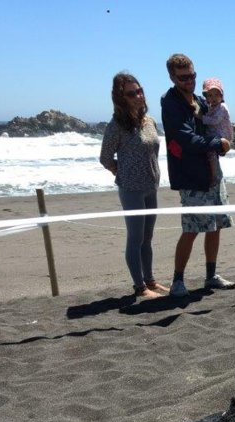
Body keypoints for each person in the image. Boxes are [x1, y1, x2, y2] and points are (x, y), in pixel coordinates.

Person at [160, 53, 235, 297]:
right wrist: (217, 143)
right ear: (172, 77)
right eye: (183, 78)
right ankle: (178, 281)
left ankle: (211, 275)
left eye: (192, 76)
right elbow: (186, 138)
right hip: (191, 175)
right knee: (191, 228)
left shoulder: (200, 100)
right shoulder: (171, 103)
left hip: (212, 171)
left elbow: (214, 124)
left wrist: (221, 144)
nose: (189, 81)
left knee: (215, 225)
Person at [99, 72, 168, 299]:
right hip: (131, 189)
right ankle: (139, 287)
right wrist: (121, 171)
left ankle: (150, 281)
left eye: (139, 91)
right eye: (131, 94)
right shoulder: (116, 125)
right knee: (135, 238)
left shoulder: (149, 121)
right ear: (121, 98)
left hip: (151, 186)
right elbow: (105, 158)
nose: (138, 96)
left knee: (147, 238)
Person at [200, 78, 234, 186]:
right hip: (216, 133)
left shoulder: (222, 107)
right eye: (210, 95)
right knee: (210, 153)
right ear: (206, 97)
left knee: (211, 153)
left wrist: (201, 118)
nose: (213, 98)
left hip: (223, 135)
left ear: (221, 95)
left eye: (216, 94)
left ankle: (214, 176)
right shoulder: (211, 107)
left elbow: (215, 120)